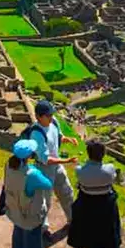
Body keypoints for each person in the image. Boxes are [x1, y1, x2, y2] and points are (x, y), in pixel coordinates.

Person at [68, 139, 125, 248]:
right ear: (103, 154)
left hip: (88, 207)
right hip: (106, 206)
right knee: (111, 231)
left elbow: (79, 177)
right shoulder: (109, 169)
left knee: (91, 236)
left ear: (88, 154)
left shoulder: (80, 171)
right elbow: (112, 179)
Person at [3, 139, 53, 248]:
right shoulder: (32, 174)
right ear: (29, 156)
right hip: (30, 214)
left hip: (14, 209)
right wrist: (37, 170)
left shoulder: (9, 165)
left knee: (18, 231)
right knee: (33, 244)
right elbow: (47, 184)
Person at [27, 100, 78, 239]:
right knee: (45, 200)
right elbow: (46, 159)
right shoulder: (36, 133)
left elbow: (59, 136)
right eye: (48, 115)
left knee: (67, 192)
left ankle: (73, 220)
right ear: (39, 117)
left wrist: (68, 139)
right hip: (44, 169)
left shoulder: (53, 122)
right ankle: (43, 229)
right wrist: (67, 161)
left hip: (57, 166)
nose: (51, 117)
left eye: (51, 114)